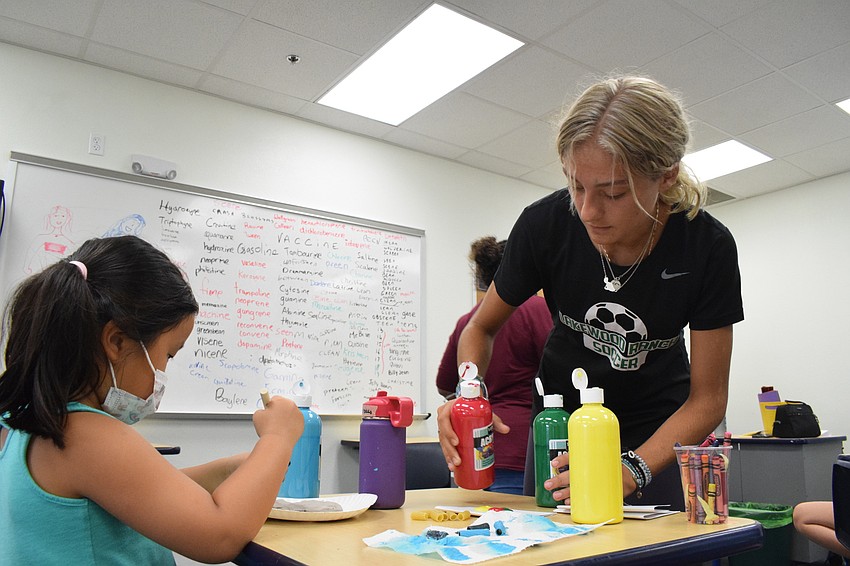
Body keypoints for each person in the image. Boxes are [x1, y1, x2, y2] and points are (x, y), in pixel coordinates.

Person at [436, 75, 744, 510]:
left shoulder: (706, 246)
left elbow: (709, 398)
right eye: (575, 185)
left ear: (666, 175)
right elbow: (481, 328)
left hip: (659, 434)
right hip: (559, 425)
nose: (587, 211)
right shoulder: (544, 226)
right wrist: (469, 391)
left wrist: (629, 470)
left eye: (613, 192)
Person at [0, 235, 304, 564]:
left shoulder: (32, 422)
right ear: (116, 341)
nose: (163, 371)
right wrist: (278, 437)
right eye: (168, 355)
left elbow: (136, 493)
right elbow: (221, 535)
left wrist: (226, 469)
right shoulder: (83, 435)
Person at [436, 236, 552, 495]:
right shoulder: (538, 308)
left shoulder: (469, 322)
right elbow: (561, 369)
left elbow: (445, 385)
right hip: (527, 446)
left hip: (474, 448)